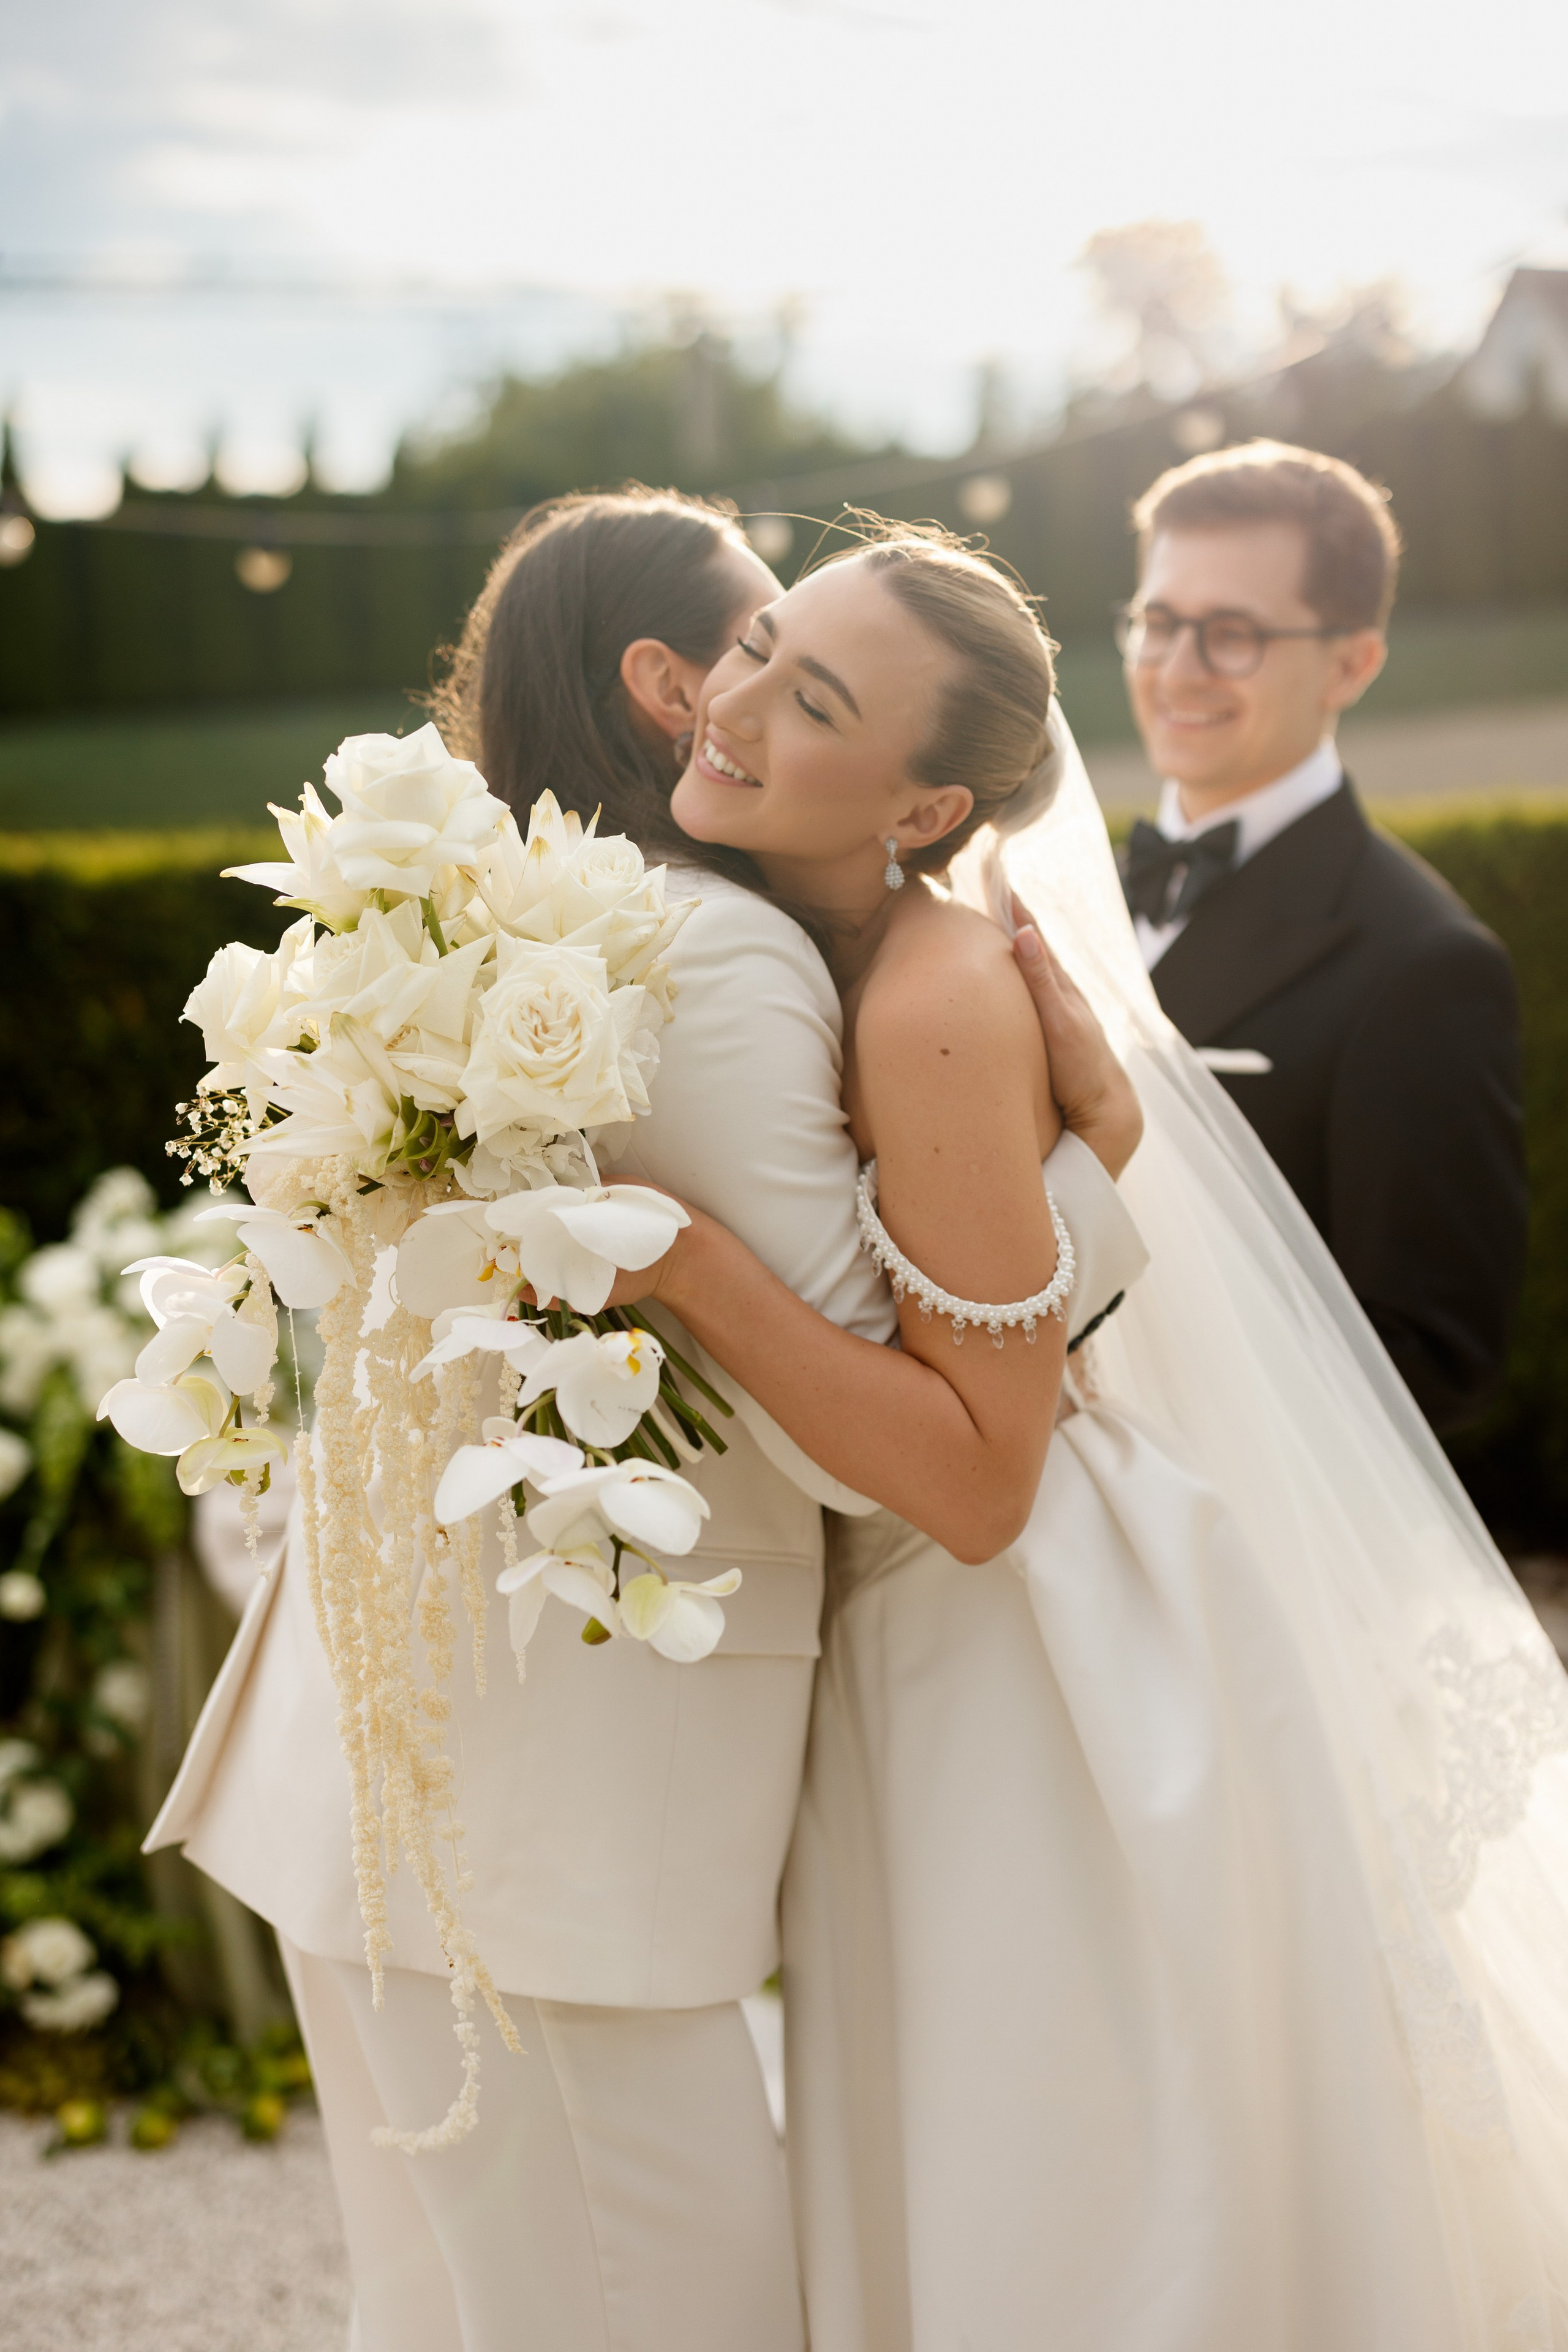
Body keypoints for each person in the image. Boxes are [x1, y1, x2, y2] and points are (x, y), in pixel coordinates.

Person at [145, 489, 1143, 2352]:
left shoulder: (475, 933)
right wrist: (1097, 1172)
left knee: (439, 2318)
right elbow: (900, 1449)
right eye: (756, 640)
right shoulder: (712, 959)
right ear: (664, 679)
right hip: (557, 1836)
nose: (742, 694)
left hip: (368, 1774)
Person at [600, 523, 1568, 2348]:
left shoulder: (933, 998)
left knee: (1078, 2200)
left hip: (1038, 1671)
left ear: (922, 801)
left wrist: (688, 1268)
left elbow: (981, 1477)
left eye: (813, 702)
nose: (732, 707)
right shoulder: (856, 944)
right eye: (759, 646)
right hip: (968, 1645)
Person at [1115, 439, 1528, 1433]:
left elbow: (1432, 1355)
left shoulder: (1423, 964)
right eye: (1160, 623)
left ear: (1353, 662)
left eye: (1232, 633)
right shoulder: (1052, 884)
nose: (1178, 670)